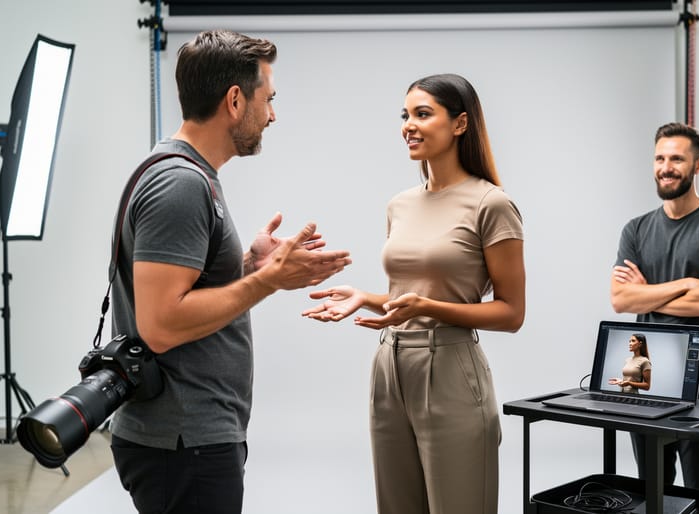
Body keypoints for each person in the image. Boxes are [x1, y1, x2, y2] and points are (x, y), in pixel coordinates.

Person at [108, 30, 351, 514]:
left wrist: (245, 266)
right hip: (184, 442)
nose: (273, 115)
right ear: (235, 100)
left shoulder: (188, 174)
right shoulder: (180, 183)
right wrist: (268, 280)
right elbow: (160, 325)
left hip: (189, 438)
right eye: (269, 99)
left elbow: (180, 286)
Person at [302, 73, 525, 514]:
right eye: (405, 115)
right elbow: (409, 297)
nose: (409, 124)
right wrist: (367, 297)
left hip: (451, 370)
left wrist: (425, 307)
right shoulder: (399, 204)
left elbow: (511, 313)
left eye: (423, 114)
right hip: (389, 367)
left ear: (460, 124)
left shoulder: (491, 204)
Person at [609, 122, 699, 493]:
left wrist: (647, 292)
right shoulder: (635, 230)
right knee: (652, 488)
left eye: (677, 159)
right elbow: (621, 300)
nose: (666, 166)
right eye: (660, 158)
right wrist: (688, 282)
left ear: (698, 166)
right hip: (646, 380)